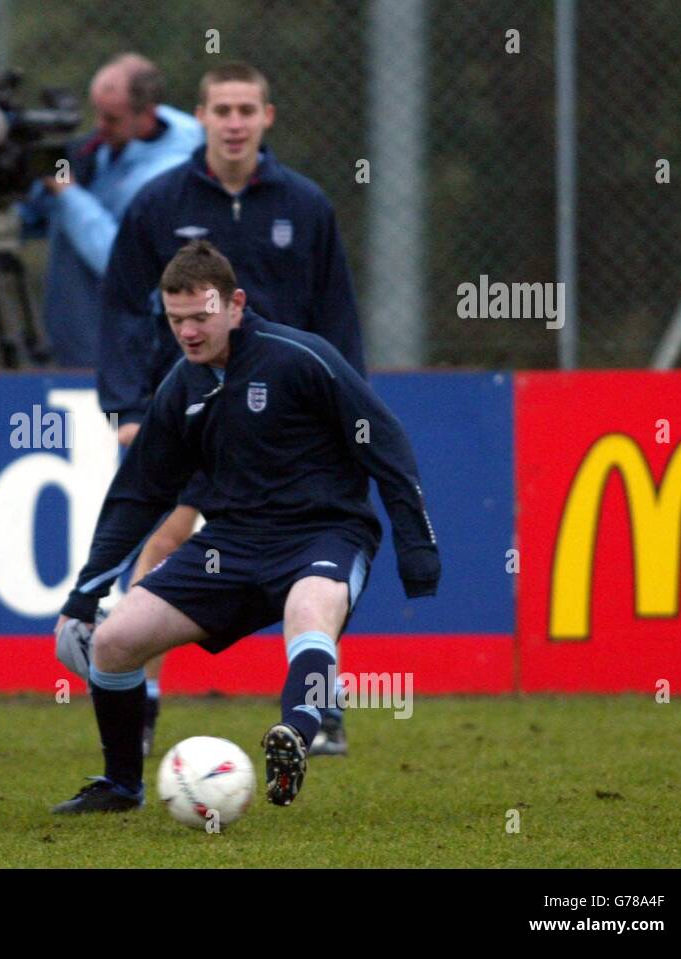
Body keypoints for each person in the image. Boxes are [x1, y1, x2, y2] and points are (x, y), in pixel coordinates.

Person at [52, 241, 439, 814]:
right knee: (112, 641)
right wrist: (85, 593)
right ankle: (120, 784)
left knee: (310, 612)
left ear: (235, 305)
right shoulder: (180, 388)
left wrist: (417, 546)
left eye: (200, 316)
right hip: (229, 547)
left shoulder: (301, 358)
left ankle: (296, 738)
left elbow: (384, 442)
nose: (187, 331)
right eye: (176, 319)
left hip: (325, 534)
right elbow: (138, 495)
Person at [99, 62, 365, 756]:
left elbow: (336, 316)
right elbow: (125, 308)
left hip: (291, 425)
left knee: (309, 556)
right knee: (163, 541)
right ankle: (144, 696)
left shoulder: (305, 205)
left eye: (248, 108)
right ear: (202, 116)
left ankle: (318, 706)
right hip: (193, 416)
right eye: (223, 109)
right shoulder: (158, 201)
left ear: (267, 117)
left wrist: (350, 413)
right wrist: (128, 406)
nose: (236, 121)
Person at [0, 52, 202, 367]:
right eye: (96, 112)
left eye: (112, 118)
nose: (99, 126)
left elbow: (118, 259)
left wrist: (67, 192)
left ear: (147, 115)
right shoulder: (106, 148)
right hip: (83, 341)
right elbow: (22, 217)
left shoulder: (175, 172)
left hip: (136, 353)